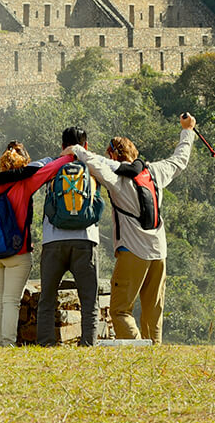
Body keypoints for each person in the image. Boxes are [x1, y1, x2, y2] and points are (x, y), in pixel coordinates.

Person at [70, 113, 197, 343]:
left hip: (132, 252)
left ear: (113, 155)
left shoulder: (116, 178)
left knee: (120, 310)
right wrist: (187, 130)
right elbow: (180, 159)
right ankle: (153, 355)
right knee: (153, 312)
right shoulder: (155, 171)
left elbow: (93, 162)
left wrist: (76, 150)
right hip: (159, 253)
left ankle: (139, 352)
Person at [0, 141, 77, 346]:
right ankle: (7, 343)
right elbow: (50, 168)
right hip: (17, 251)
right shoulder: (24, 183)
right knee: (11, 300)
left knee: (2, 297)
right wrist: (72, 155)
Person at [35, 127, 104, 346]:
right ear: (85, 145)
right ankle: (88, 343)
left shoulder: (52, 165)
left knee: (47, 297)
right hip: (85, 240)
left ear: (62, 144)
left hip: (53, 240)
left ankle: (46, 343)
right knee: (89, 299)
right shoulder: (92, 166)